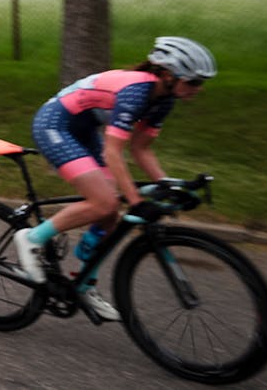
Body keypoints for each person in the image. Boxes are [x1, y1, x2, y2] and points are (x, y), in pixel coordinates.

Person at [14, 36, 217, 321]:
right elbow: (113, 152)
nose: (199, 88)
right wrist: (136, 201)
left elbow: (141, 148)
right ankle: (31, 239)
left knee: (110, 213)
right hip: (55, 125)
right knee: (104, 202)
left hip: (84, 131)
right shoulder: (137, 91)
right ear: (169, 75)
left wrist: (168, 184)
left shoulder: (164, 100)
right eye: (194, 81)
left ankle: (83, 282)